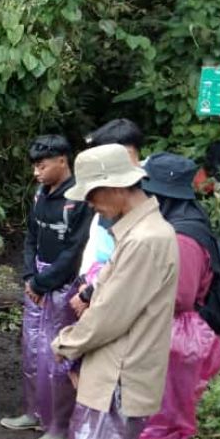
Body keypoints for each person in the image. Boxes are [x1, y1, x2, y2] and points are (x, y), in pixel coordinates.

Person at [51, 144, 178, 439]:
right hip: (113, 372)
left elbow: (110, 316)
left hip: (118, 379)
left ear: (116, 188)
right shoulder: (138, 232)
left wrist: (65, 344)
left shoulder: (145, 239)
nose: (91, 205)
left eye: (92, 195)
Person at [138, 153, 220, 439]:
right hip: (176, 337)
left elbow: (180, 296)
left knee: (163, 429)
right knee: (156, 424)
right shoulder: (185, 223)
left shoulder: (183, 236)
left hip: (178, 341)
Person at [0, 135, 92, 439]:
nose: (36, 173)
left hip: (63, 284)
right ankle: (32, 412)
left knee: (57, 354)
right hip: (36, 280)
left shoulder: (80, 198)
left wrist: (45, 283)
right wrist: (29, 277)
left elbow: (76, 250)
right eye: (35, 166)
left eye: (42, 166)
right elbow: (31, 236)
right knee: (32, 347)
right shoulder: (40, 193)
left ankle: (59, 427)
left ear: (62, 161)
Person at [71, 118, 144, 317]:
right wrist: (86, 284)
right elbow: (94, 243)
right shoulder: (107, 195)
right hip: (95, 286)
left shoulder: (141, 199)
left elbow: (127, 266)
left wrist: (89, 293)